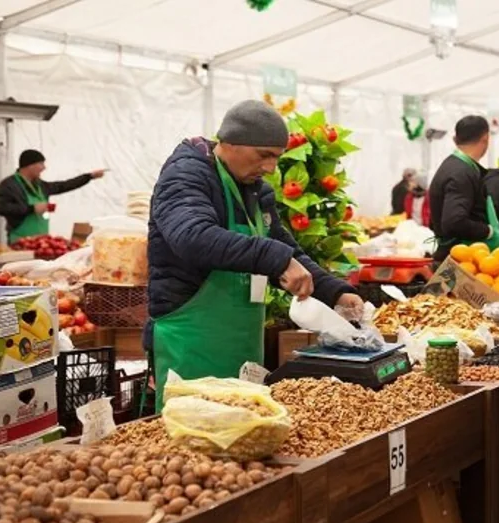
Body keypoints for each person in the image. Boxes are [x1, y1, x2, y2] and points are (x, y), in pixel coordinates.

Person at [147, 100, 363, 411]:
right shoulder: (186, 175)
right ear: (230, 142)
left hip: (242, 339)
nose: (271, 168)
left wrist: (336, 292)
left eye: (276, 157)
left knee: (245, 431)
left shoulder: (255, 190)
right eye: (264, 155)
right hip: (192, 338)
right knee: (191, 437)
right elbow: (193, 237)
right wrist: (275, 257)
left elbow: (283, 246)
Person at [429, 115, 499, 262]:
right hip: (461, 261)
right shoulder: (461, 172)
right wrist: (488, 231)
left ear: (455, 140)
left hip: (456, 255)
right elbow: (454, 221)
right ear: (486, 138)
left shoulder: (452, 166)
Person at [0, 150, 104, 243]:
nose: (44, 167)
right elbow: (2, 208)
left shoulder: (40, 185)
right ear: (30, 165)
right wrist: (32, 208)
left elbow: (64, 186)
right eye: (41, 163)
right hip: (19, 241)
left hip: (41, 241)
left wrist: (88, 177)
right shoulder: (9, 185)